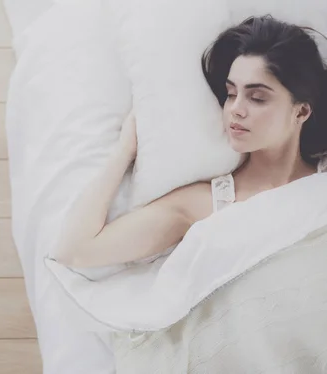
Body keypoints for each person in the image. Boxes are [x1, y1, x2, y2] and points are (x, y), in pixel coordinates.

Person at [54, 15, 327, 268]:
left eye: (257, 98)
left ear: (301, 111)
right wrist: (123, 152)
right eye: (230, 94)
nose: (236, 109)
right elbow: (76, 251)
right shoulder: (204, 204)